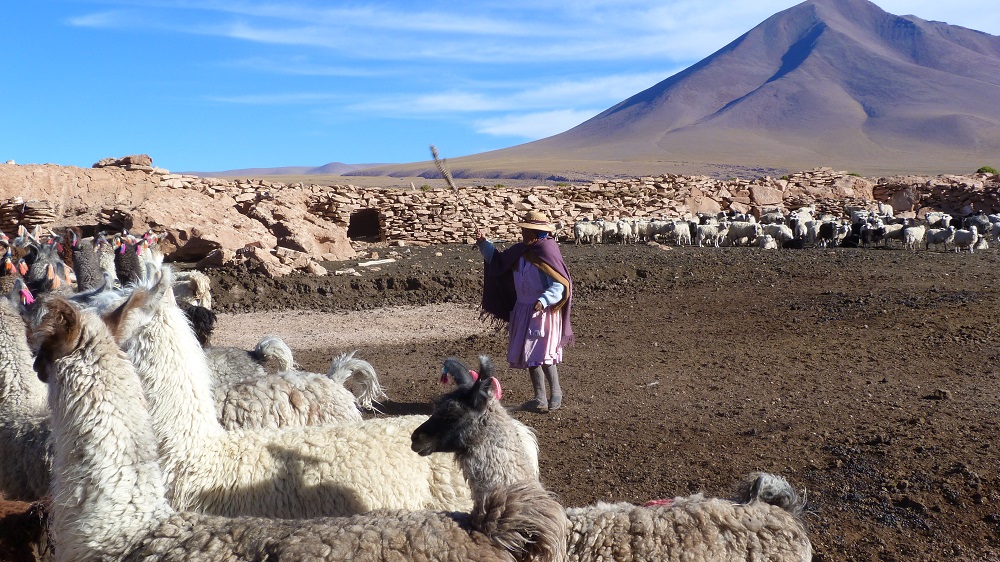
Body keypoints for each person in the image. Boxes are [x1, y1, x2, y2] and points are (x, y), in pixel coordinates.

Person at [475, 210, 573, 412]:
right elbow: (499, 262)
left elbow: (560, 285)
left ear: (538, 233)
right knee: (530, 355)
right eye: (524, 231)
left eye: (528, 231)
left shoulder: (547, 251)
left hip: (542, 312)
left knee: (543, 354)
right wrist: (484, 243)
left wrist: (544, 300)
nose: (524, 235)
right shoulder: (521, 251)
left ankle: (556, 392)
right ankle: (539, 398)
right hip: (523, 309)